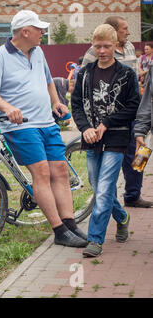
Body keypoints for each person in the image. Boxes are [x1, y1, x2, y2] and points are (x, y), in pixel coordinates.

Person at [0, 10, 88, 248]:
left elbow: (48, 80)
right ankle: (59, 231)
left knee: (60, 171)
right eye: (39, 29)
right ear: (25, 32)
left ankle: (70, 224)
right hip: (22, 126)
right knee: (41, 173)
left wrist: (56, 102)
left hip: (47, 123)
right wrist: (7, 107)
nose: (43, 32)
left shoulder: (38, 52)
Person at [71, 24, 140, 257]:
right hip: (91, 139)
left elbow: (133, 105)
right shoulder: (85, 73)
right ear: (92, 45)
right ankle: (122, 216)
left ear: (115, 46)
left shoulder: (126, 74)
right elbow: (77, 105)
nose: (102, 50)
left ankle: (95, 239)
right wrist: (85, 128)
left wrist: (106, 123)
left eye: (107, 46)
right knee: (99, 186)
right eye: (97, 46)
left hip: (117, 138)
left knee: (102, 191)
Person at [82, 16, 153, 208]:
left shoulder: (129, 46)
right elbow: (86, 84)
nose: (128, 32)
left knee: (141, 153)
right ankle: (110, 201)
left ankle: (133, 194)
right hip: (112, 119)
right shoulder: (95, 52)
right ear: (113, 30)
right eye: (124, 29)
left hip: (135, 111)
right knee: (111, 162)